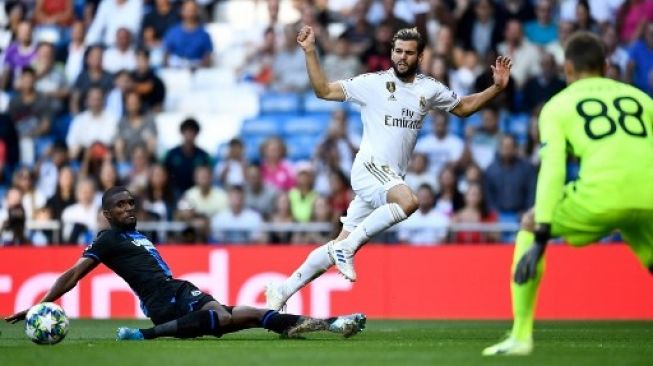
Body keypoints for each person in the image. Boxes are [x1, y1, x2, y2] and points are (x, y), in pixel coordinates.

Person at [265, 26, 512, 310]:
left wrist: (495, 88)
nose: (402, 57)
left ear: (420, 57)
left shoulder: (429, 89)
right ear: (391, 53)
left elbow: (464, 107)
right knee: (409, 202)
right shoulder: (372, 84)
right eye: (398, 51)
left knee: (339, 242)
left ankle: (283, 289)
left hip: (388, 178)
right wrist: (310, 51)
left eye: (409, 53)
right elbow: (323, 90)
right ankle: (346, 249)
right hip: (370, 167)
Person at [4, 186, 367, 340]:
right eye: (121, 206)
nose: (129, 208)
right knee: (225, 316)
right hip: (168, 299)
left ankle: (330, 325)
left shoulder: (133, 235)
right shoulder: (107, 239)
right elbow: (73, 274)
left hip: (176, 296)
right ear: (106, 214)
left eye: (131, 203)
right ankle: (143, 336)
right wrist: (42, 303)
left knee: (254, 315)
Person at [483, 32, 653, 356]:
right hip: (649, 196)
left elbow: (553, 170)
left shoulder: (558, 105)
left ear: (568, 68)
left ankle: (520, 336)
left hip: (601, 197)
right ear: (605, 65)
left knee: (529, 222)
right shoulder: (642, 99)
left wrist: (542, 232)